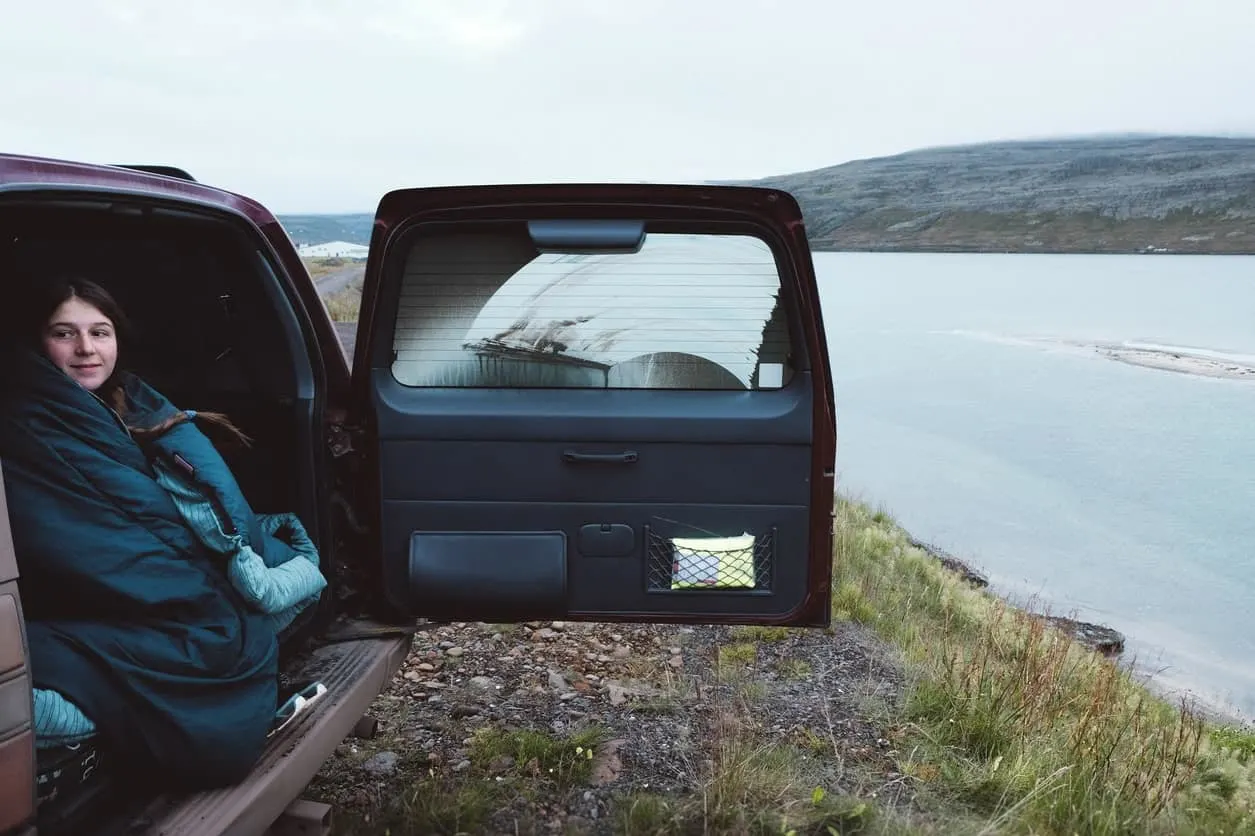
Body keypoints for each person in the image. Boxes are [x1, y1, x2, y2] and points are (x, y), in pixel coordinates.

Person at [0, 275, 323, 790]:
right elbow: (67, 532)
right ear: (35, 342)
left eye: (99, 333)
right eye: (64, 333)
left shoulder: (133, 403)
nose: (86, 348)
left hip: (175, 600)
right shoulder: (24, 421)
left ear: (118, 341)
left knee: (220, 630)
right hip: (117, 601)